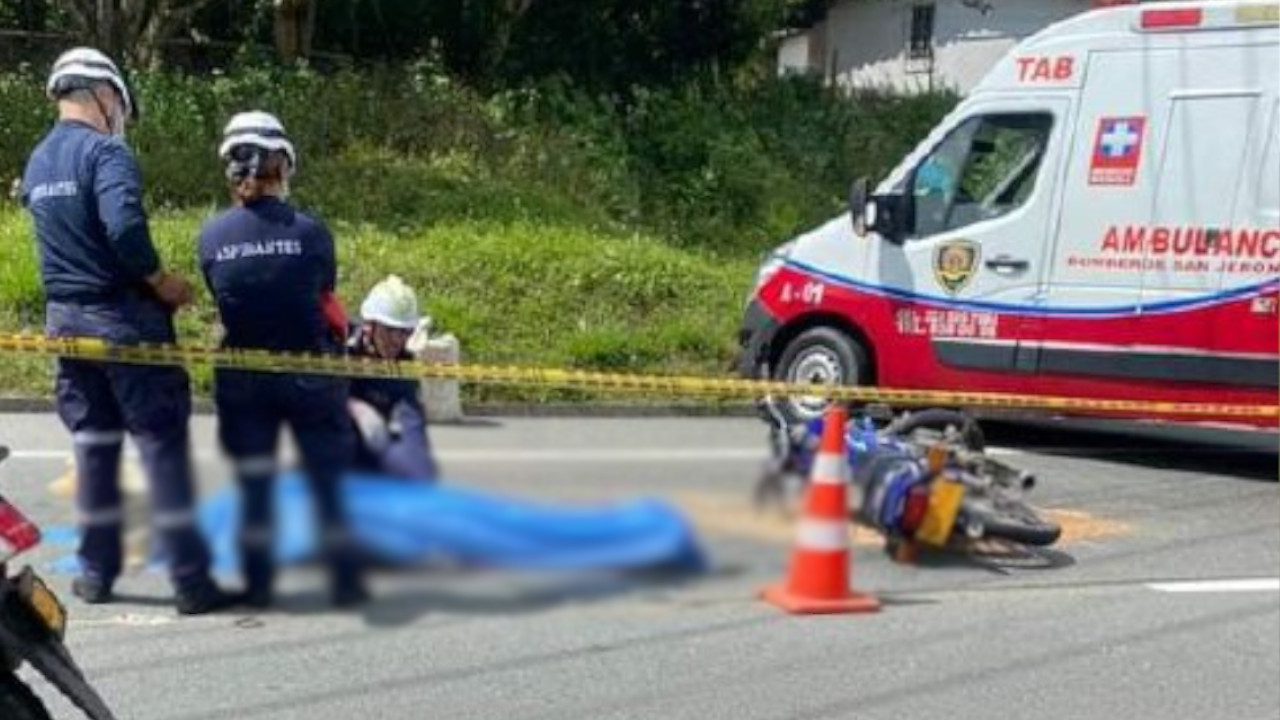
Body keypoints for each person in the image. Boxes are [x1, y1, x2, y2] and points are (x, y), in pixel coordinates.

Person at [19, 47, 236, 614]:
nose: (120, 114)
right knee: (161, 448)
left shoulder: (38, 162)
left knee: (93, 448)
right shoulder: (106, 153)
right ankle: (192, 582)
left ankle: (95, 573)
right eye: (120, 103)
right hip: (124, 322)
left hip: (65, 324)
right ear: (104, 94)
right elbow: (124, 228)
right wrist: (160, 280)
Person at [197, 110, 368, 608]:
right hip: (312, 372)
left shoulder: (210, 237)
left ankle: (258, 583)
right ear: (283, 167)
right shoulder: (313, 233)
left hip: (243, 374)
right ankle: (345, 580)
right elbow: (324, 295)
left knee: (254, 483)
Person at [344, 276, 440, 482]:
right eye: (390, 330)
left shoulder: (404, 365)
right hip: (336, 439)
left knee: (417, 472)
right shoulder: (341, 344)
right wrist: (352, 407)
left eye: (405, 332)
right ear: (370, 326)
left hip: (377, 444)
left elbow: (411, 419)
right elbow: (311, 394)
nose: (397, 340)